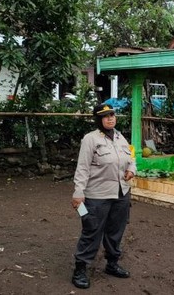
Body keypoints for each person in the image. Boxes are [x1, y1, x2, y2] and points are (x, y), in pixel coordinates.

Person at [71, 103, 137, 289]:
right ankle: (80, 268)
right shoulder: (90, 139)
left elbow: (131, 159)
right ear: (98, 119)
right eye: (105, 116)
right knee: (92, 231)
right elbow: (82, 168)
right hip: (97, 195)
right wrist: (78, 192)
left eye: (112, 115)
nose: (110, 118)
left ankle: (112, 263)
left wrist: (132, 170)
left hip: (121, 193)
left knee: (116, 231)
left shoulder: (120, 137)